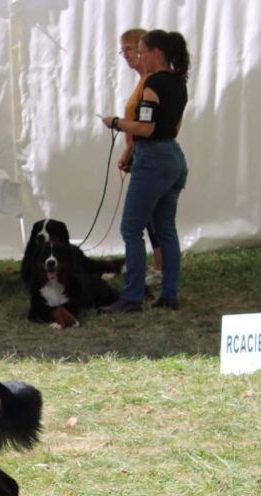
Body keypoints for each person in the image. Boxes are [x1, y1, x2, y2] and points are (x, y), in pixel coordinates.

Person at [99, 30, 190, 313]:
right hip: (174, 157)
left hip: (153, 159)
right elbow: (174, 126)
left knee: (131, 228)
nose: (139, 57)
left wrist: (116, 122)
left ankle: (132, 296)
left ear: (155, 53)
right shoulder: (179, 83)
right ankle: (169, 294)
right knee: (166, 229)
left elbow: (146, 128)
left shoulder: (153, 84)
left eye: (142, 51)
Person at [118, 28, 164, 287]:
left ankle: (160, 267)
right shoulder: (142, 81)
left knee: (151, 215)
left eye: (130, 49)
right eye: (122, 50)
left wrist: (129, 149)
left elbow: (146, 125)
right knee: (148, 216)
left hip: (147, 154)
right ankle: (157, 264)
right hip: (140, 154)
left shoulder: (151, 81)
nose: (126, 55)